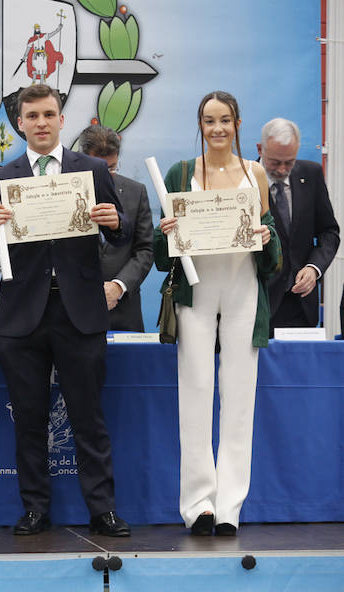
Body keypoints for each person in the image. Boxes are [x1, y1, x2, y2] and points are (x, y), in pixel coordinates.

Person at [0, 83, 132, 537]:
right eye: (32, 116)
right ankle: (36, 508)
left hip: (79, 311)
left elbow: (121, 236)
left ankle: (102, 509)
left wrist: (115, 223)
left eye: (49, 114)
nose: (41, 123)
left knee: (88, 417)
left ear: (62, 119)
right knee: (28, 419)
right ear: (19, 124)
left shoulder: (94, 169)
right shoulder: (1, 176)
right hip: (22, 316)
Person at [154, 91, 280, 537]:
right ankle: (198, 505)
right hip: (197, 292)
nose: (218, 128)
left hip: (244, 290)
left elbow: (274, 251)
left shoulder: (256, 173)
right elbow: (159, 252)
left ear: (239, 123)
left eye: (225, 120)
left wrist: (267, 238)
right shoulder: (182, 173)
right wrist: (165, 232)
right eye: (209, 121)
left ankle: (229, 507)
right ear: (200, 125)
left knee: (240, 399)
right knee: (195, 393)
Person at [256, 118, 339, 330]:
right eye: (275, 162)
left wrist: (314, 268)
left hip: (302, 303)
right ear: (260, 149)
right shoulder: (243, 181)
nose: (283, 169)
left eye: (289, 162)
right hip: (259, 302)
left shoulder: (311, 174)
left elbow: (329, 232)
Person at [79, 124, 154, 332]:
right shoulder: (62, 193)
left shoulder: (136, 192)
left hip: (125, 312)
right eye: (98, 169)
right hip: (75, 312)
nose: (106, 176)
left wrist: (118, 286)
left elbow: (145, 250)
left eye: (111, 168)